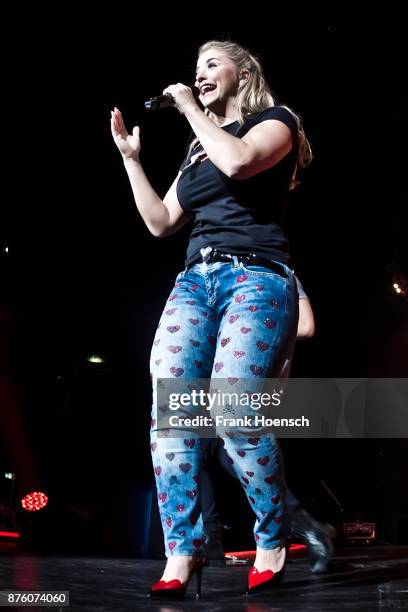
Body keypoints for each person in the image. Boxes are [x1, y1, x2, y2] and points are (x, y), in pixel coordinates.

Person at [111, 39, 313, 598]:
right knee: (170, 415)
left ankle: (272, 537)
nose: (198, 75)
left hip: (258, 275)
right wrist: (131, 158)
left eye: (210, 64)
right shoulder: (196, 149)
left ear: (242, 71)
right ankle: (183, 551)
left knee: (233, 411)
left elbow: (240, 161)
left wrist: (190, 109)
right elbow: (160, 221)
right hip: (195, 280)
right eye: (194, 68)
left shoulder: (276, 122)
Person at [201, 283, 336, 573]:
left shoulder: (278, 271)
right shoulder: (219, 271)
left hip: (250, 372)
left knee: (234, 451)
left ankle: (305, 526)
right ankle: (210, 545)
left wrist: (248, 333)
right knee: (201, 447)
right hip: (215, 378)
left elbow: (307, 325)